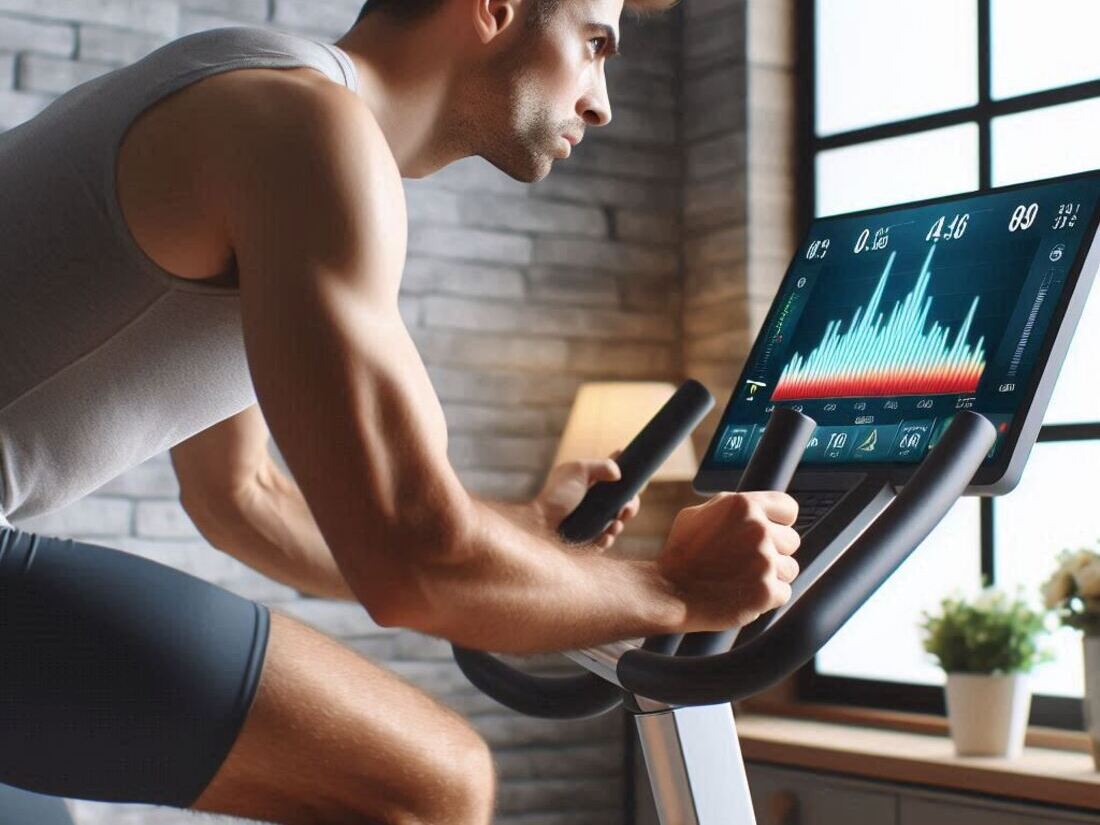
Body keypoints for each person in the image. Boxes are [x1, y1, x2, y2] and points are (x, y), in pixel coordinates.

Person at [0, 0, 801, 822]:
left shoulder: (251, 84)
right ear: (494, 9)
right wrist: (676, 589)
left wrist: (520, 527)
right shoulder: (308, 131)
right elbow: (413, 560)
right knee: (436, 780)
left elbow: (243, 496)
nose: (602, 101)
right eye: (594, 44)